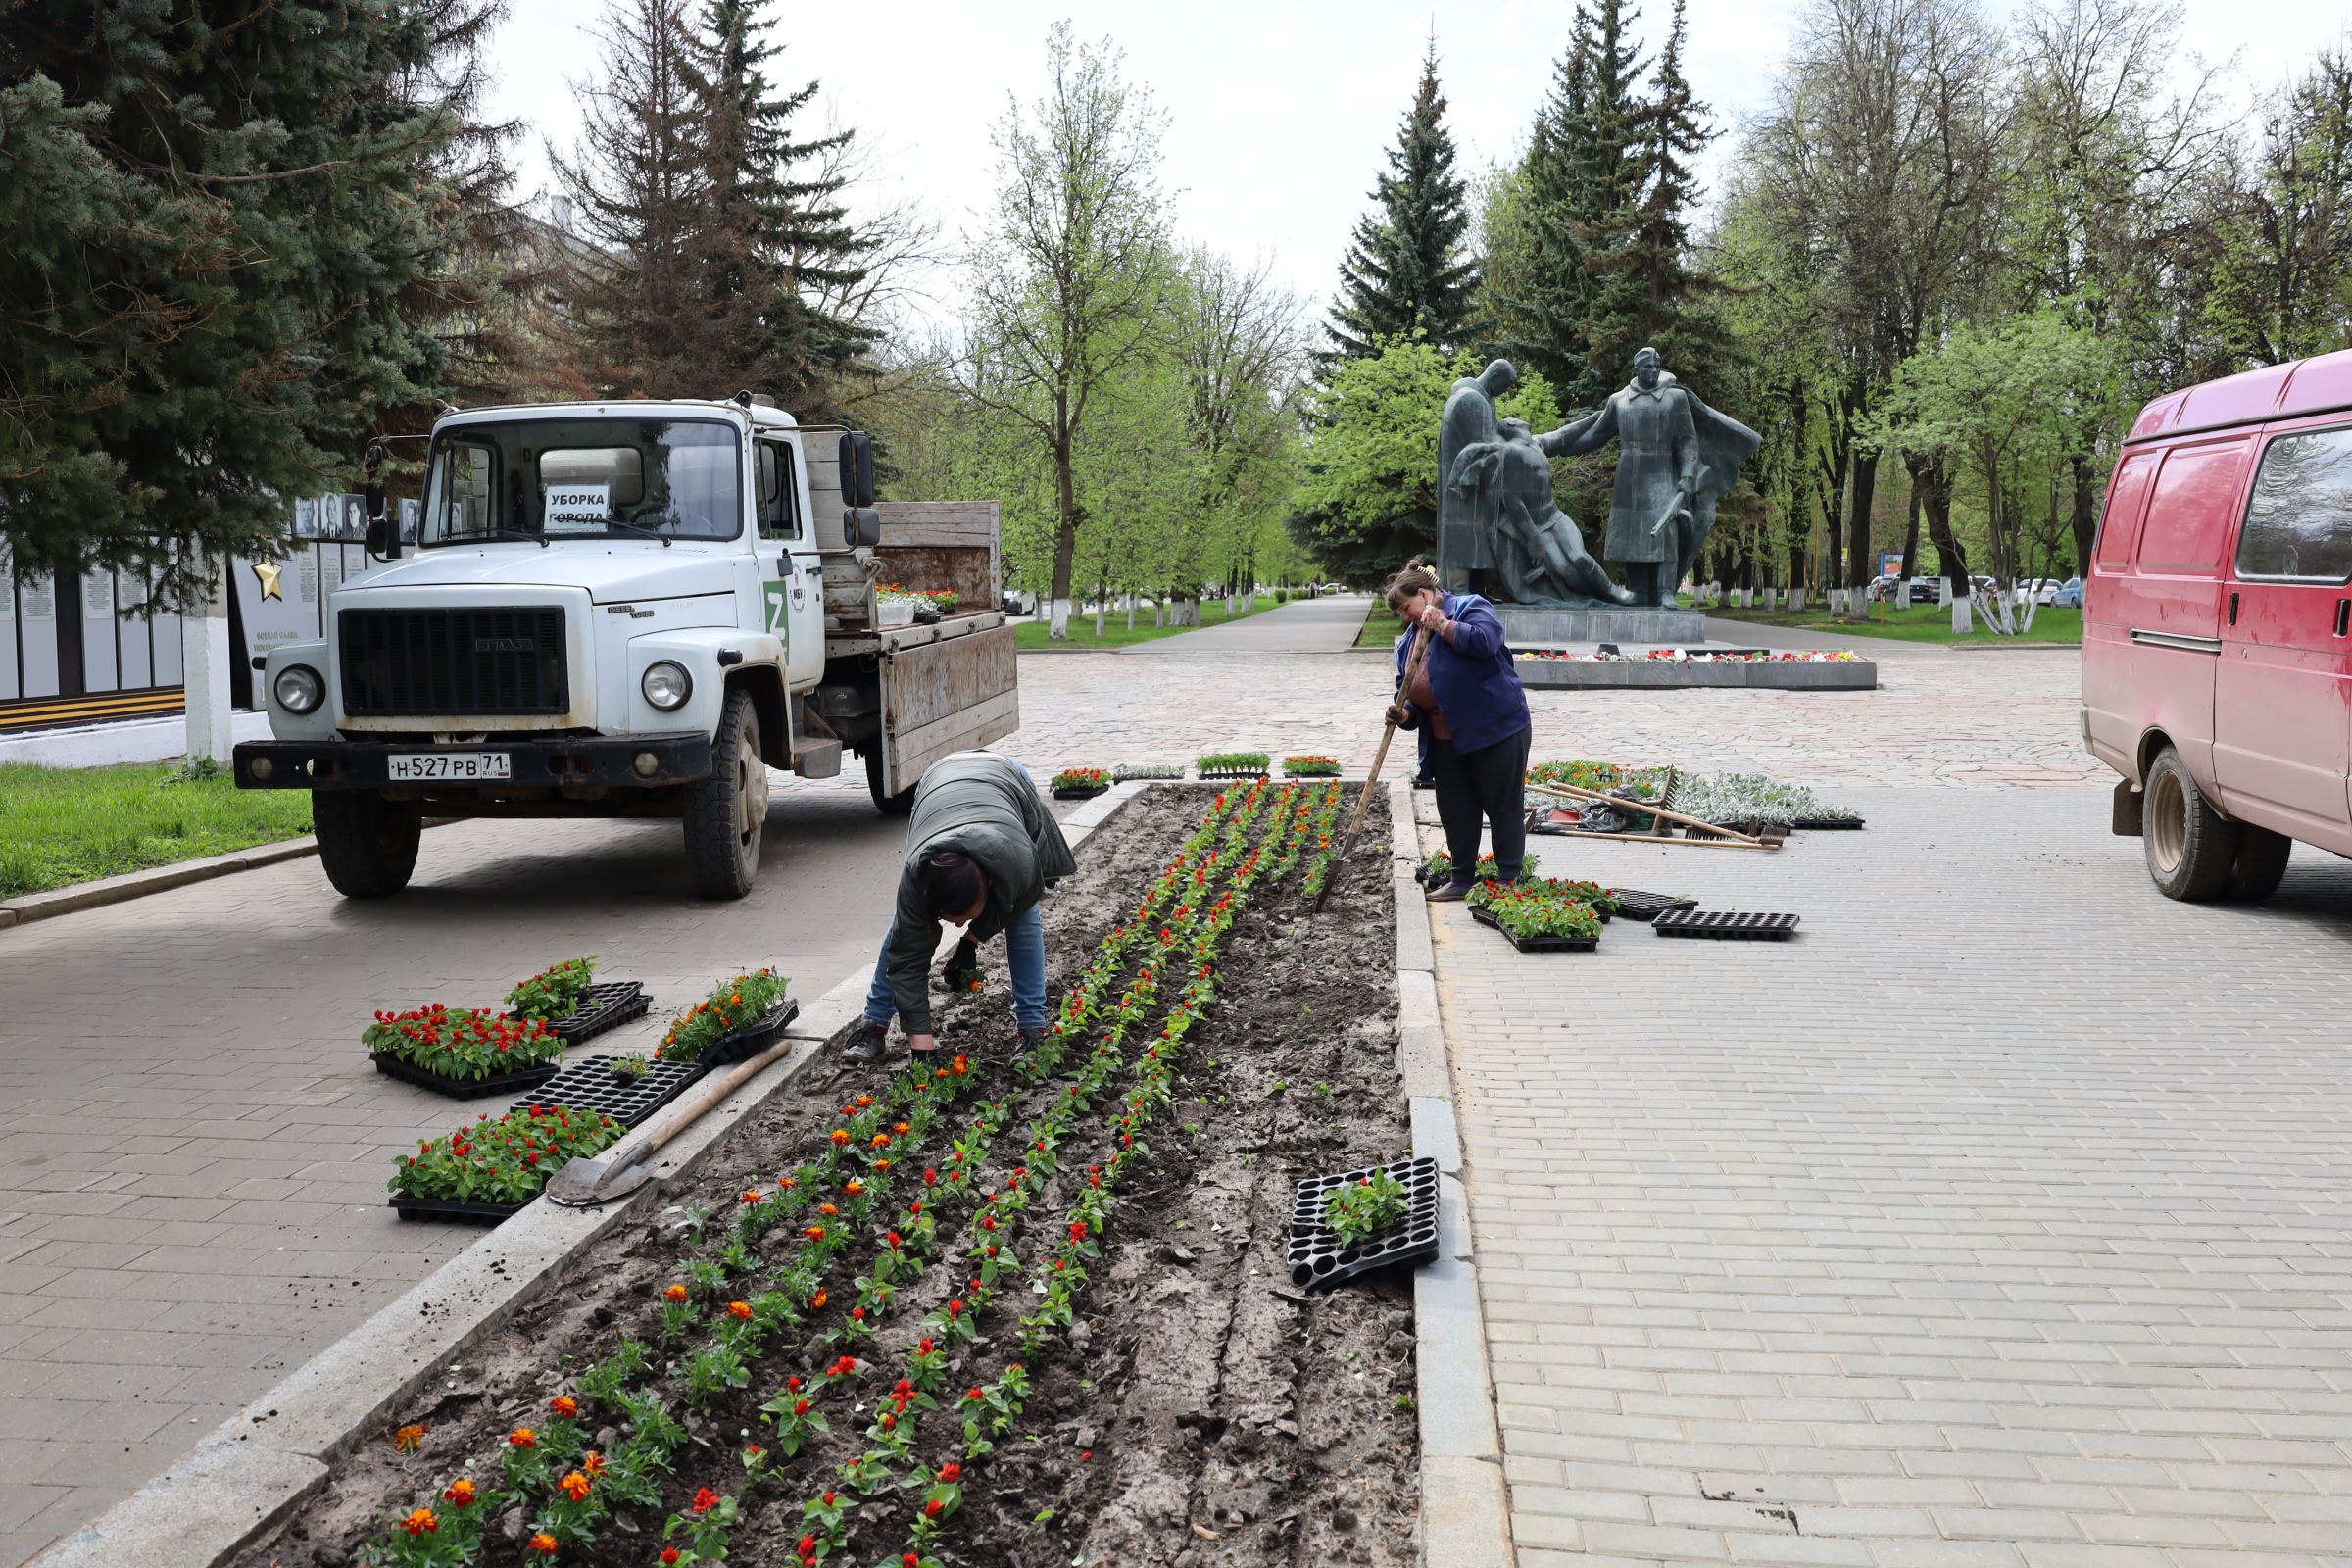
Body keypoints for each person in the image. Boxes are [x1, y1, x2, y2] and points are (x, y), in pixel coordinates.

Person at [843, 750, 1075, 1066]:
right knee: (907, 924)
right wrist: (922, 1045)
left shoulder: (1018, 862)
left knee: (1023, 919)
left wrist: (971, 941)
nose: (958, 925)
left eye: (965, 918)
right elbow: (908, 957)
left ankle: (1031, 1029)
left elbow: (1015, 902)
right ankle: (874, 1023)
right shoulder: (919, 872)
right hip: (939, 782)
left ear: (990, 884)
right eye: (950, 920)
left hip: (1006, 776)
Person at [1385, 563, 1533, 901]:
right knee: (1456, 809)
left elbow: (1486, 642)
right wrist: (1403, 712)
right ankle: (1462, 879)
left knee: (1502, 805)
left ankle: (1509, 880)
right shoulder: (1409, 640)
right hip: (1446, 737)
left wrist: (1442, 624)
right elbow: (1407, 689)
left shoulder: (1471, 607)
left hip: (1495, 728)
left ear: (1424, 594)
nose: (1406, 618)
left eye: (1407, 608)